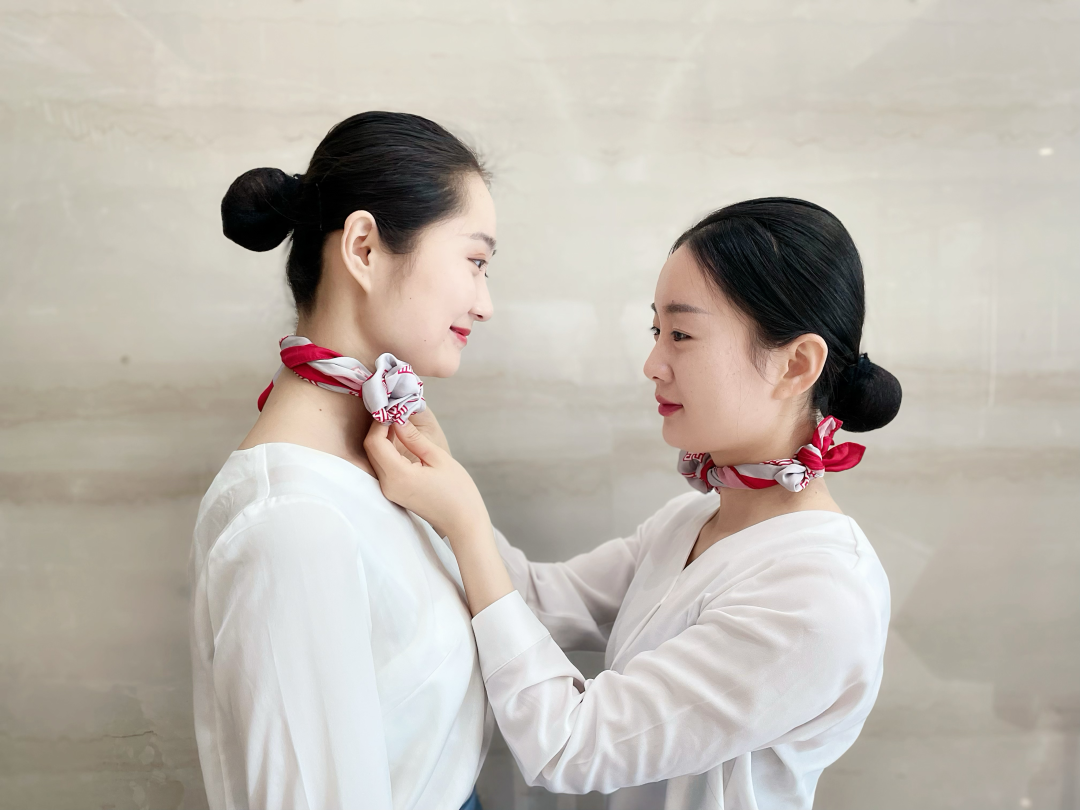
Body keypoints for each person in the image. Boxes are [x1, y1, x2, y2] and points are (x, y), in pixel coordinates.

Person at [365, 198, 902, 810]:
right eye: (656, 332)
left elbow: (567, 745)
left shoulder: (820, 595)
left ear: (796, 364)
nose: (652, 365)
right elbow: (538, 598)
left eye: (682, 335)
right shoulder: (693, 520)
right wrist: (440, 475)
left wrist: (462, 519)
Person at [187, 111, 497, 810]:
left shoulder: (382, 468)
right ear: (363, 248)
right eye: (475, 262)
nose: (485, 304)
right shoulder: (292, 520)